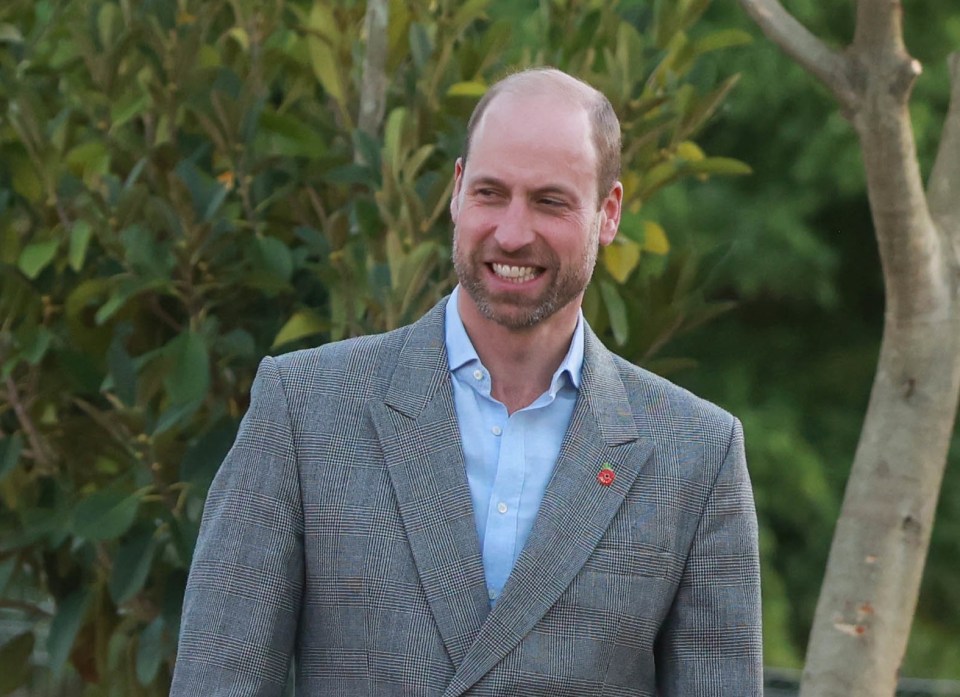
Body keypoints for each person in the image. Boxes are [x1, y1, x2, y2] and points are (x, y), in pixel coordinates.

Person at [170, 67, 762, 696]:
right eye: (490, 193)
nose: (512, 232)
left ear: (608, 213)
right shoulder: (306, 411)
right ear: (456, 192)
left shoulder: (696, 454)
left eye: (549, 201)